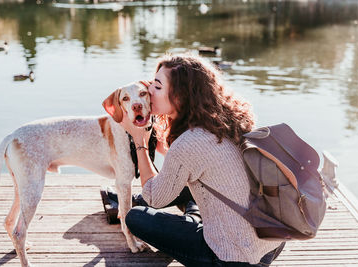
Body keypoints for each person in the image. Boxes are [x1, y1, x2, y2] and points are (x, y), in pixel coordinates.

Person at [110, 54, 285, 266]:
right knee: (185, 182)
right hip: (270, 242)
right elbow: (187, 164)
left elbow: (155, 198)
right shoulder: (225, 122)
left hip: (231, 257)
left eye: (156, 86)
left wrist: (140, 143)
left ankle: (193, 218)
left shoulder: (190, 142)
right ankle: (194, 216)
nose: (148, 91)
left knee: (136, 217)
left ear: (179, 95)